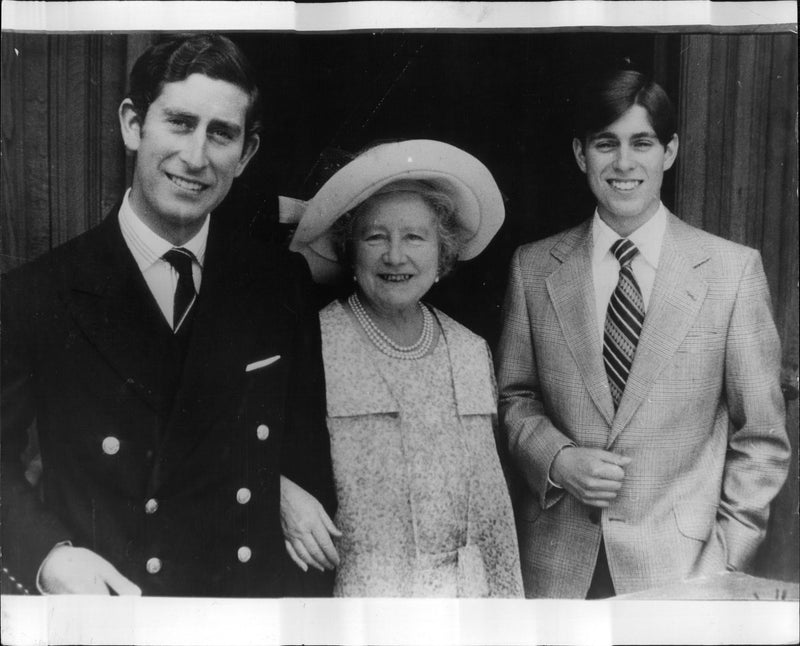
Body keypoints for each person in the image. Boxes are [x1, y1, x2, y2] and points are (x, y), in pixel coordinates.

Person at [0, 33, 335, 597]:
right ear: (133, 125)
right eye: (180, 123)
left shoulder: (278, 284)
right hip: (116, 608)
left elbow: (302, 457)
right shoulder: (37, 294)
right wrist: (48, 556)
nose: (196, 157)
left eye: (221, 134)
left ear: (247, 153)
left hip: (241, 606)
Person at [496, 69, 791, 598]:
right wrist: (557, 459)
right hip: (558, 568)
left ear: (670, 151)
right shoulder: (533, 268)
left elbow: (761, 440)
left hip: (681, 569)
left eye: (643, 143)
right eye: (606, 143)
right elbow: (515, 396)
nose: (624, 163)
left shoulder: (731, 273)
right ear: (581, 154)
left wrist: (719, 565)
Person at [280, 140, 524, 597]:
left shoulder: (471, 350)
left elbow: (495, 519)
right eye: (375, 236)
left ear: (442, 254)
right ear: (351, 253)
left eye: (414, 237)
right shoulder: (314, 342)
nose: (395, 255)